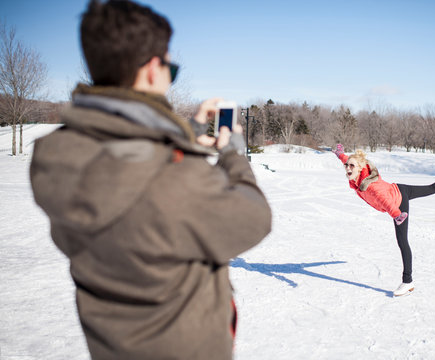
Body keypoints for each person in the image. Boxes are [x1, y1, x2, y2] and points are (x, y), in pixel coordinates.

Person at [30, 1, 272, 359]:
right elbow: (254, 219)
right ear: (150, 69)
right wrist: (233, 153)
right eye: (170, 68)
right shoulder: (173, 179)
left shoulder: (59, 156)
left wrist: (186, 130)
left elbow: (122, 154)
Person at [332, 144, 435, 297]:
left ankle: (408, 282)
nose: (347, 168)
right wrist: (341, 155)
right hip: (399, 188)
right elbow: (349, 160)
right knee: (431, 188)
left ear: (360, 168)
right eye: (347, 166)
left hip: (397, 203)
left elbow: (385, 200)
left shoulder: (371, 187)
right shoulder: (358, 174)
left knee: (402, 242)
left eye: (351, 166)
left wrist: (397, 215)